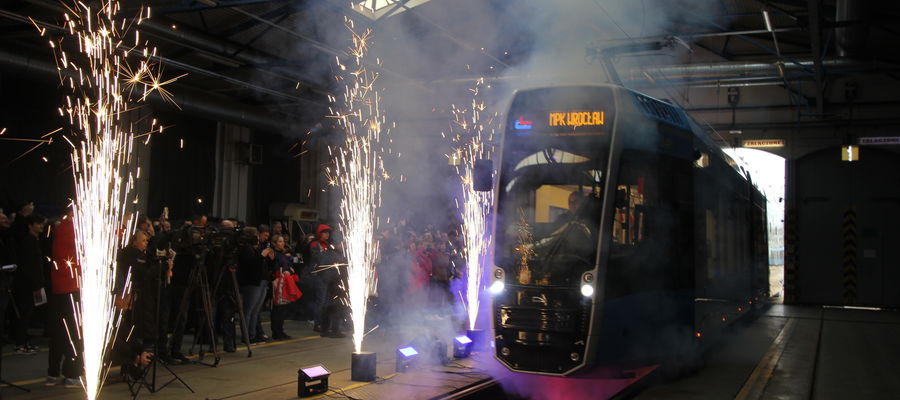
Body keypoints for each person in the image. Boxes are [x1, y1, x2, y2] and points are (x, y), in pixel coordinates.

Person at [46, 212, 82, 388]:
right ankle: (72, 373)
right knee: (74, 333)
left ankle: (53, 373)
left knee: (59, 331)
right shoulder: (76, 228)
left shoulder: (61, 227)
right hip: (72, 287)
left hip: (59, 287)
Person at [12, 213, 48, 354]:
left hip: (33, 283)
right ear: (30, 226)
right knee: (25, 313)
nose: (41, 226)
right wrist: (36, 284)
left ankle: (24, 341)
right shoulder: (28, 242)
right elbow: (29, 266)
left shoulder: (35, 240)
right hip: (29, 285)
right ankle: (20, 342)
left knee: (29, 313)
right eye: (37, 224)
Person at [307, 224, 345, 338]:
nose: (327, 234)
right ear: (320, 233)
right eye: (325, 232)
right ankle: (318, 323)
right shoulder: (315, 244)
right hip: (320, 276)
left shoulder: (328, 245)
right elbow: (317, 259)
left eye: (328, 232)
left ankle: (326, 324)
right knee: (321, 301)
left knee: (328, 302)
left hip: (330, 277)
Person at [237, 227, 269, 345]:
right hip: (251, 282)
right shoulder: (246, 248)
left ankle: (252, 334)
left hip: (259, 280)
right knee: (248, 310)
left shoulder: (254, 248)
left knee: (255, 310)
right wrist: (262, 256)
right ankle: (247, 336)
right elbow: (251, 264)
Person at [265, 234, 294, 340]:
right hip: (276, 282)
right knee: (277, 308)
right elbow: (273, 267)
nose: (283, 243)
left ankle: (280, 330)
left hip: (284, 282)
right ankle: (276, 332)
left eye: (283, 241)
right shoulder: (273, 254)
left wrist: (289, 269)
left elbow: (289, 265)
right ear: (274, 243)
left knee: (283, 308)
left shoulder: (283, 254)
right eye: (280, 241)